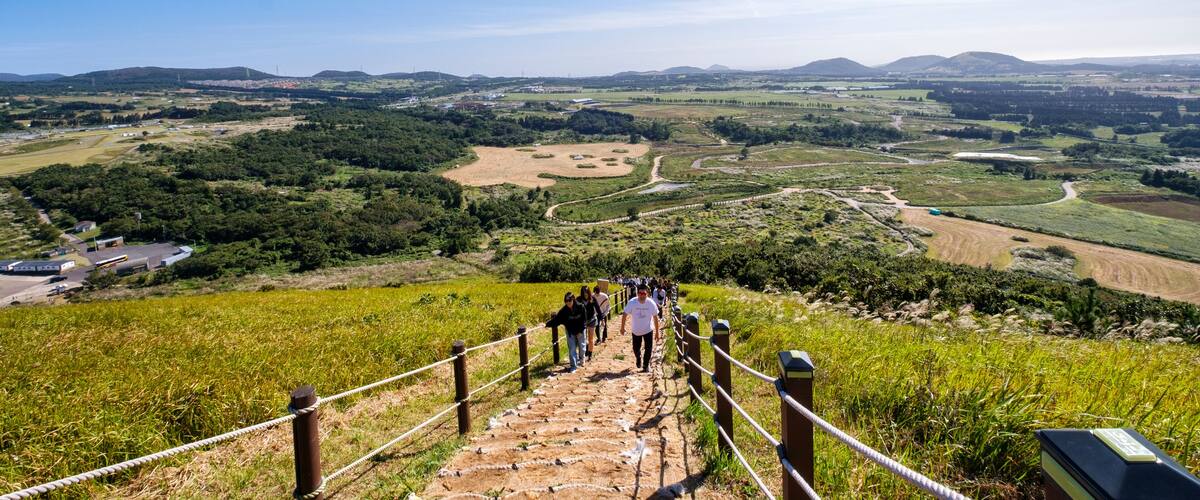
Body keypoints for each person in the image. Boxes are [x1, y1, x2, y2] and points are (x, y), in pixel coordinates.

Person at [620, 284, 661, 373]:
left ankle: (646, 365)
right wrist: (622, 327)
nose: (642, 295)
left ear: (647, 294)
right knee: (635, 348)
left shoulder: (651, 303)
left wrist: (657, 332)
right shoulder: (632, 302)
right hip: (636, 330)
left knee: (648, 348)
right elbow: (624, 314)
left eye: (644, 293)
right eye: (640, 293)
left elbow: (655, 317)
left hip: (648, 329)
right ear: (637, 294)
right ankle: (638, 358)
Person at [546, 292, 586, 372]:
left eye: (569, 301)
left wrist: (581, 330)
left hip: (580, 330)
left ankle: (582, 359)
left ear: (573, 299)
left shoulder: (581, 307)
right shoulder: (564, 310)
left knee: (582, 347)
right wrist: (547, 324)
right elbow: (557, 320)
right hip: (570, 331)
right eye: (566, 302)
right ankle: (573, 366)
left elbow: (584, 319)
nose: (568, 303)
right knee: (572, 348)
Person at [578, 286, 600, 361]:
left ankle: (590, 354)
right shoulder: (579, 300)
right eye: (584, 292)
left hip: (592, 320)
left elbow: (598, 309)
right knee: (582, 339)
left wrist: (601, 318)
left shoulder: (592, 299)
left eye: (586, 292)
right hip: (582, 321)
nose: (585, 294)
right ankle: (582, 354)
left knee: (590, 339)